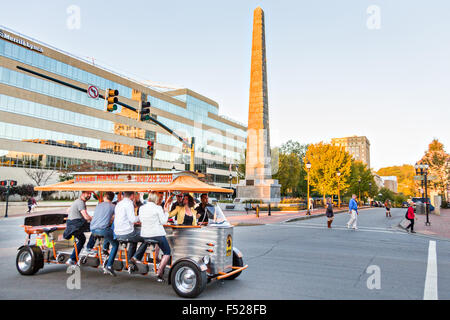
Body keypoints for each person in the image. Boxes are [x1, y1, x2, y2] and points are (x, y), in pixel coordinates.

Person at [139, 192, 172, 282]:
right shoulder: (158, 208)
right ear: (155, 199)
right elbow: (164, 221)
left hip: (145, 235)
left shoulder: (142, 208)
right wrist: (166, 212)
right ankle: (159, 272)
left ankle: (155, 259)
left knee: (158, 244)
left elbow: (141, 220)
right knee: (167, 252)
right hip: (157, 234)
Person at [84, 192, 118, 276]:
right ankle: (109, 265)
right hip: (103, 230)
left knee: (108, 231)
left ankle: (103, 249)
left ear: (105, 197)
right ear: (112, 198)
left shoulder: (99, 205)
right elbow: (115, 218)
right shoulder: (113, 206)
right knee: (115, 244)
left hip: (93, 229)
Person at [114, 191, 147, 266]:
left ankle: (129, 263)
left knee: (134, 239)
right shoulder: (129, 204)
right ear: (132, 196)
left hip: (117, 232)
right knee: (147, 237)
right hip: (126, 232)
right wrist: (141, 217)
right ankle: (135, 258)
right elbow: (133, 219)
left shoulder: (119, 203)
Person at [63, 191, 92, 265]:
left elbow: (68, 210)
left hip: (71, 224)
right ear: (83, 193)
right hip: (76, 225)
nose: (89, 195)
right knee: (95, 229)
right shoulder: (80, 202)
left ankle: (72, 259)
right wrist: (94, 219)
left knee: (82, 239)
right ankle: (89, 248)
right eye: (88, 193)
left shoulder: (77, 201)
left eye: (90, 194)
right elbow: (86, 217)